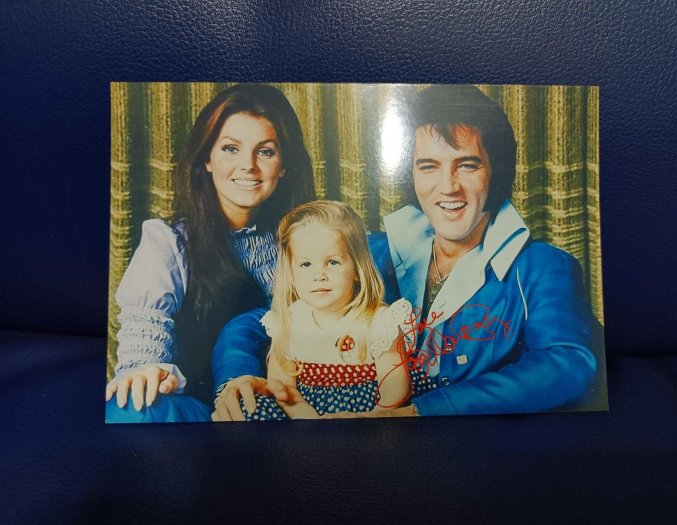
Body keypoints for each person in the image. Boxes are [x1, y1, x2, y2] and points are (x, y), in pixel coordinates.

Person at [212, 84, 601, 420]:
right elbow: (258, 321)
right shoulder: (371, 252)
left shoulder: (542, 267)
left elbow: (568, 363)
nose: (447, 187)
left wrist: (418, 413)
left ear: (495, 170)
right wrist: (237, 377)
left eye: (467, 165)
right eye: (428, 166)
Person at [105, 84, 316, 423]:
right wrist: (146, 370)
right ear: (207, 159)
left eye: (265, 152)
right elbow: (143, 337)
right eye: (231, 148)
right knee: (132, 407)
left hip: (287, 404)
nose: (248, 166)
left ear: (284, 166)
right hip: (204, 413)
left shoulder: (307, 239)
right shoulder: (169, 242)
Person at [212, 201, 411, 421]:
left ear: (357, 269)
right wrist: (306, 417)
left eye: (332, 262)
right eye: (305, 264)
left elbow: (394, 388)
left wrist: (368, 418)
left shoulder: (379, 322)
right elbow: (283, 387)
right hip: (303, 411)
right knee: (252, 409)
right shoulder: (288, 322)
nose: (319, 275)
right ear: (291, 272)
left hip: (368, 413)